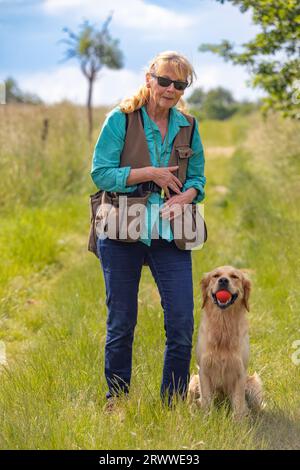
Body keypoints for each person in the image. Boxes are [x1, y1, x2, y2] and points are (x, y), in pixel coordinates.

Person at [91, 51, 206, 406]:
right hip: (121, 229)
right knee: (122, 322)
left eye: (179, 83)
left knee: (182, 326)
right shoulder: (121, 119)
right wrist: (149, 174)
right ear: (149, 79)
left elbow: (199, 177)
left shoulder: (188, 125)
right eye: (164, 80)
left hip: (170, 235)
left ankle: (171, 405)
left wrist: (187, 196)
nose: (170, 89)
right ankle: (118, 401)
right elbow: (101, 172)